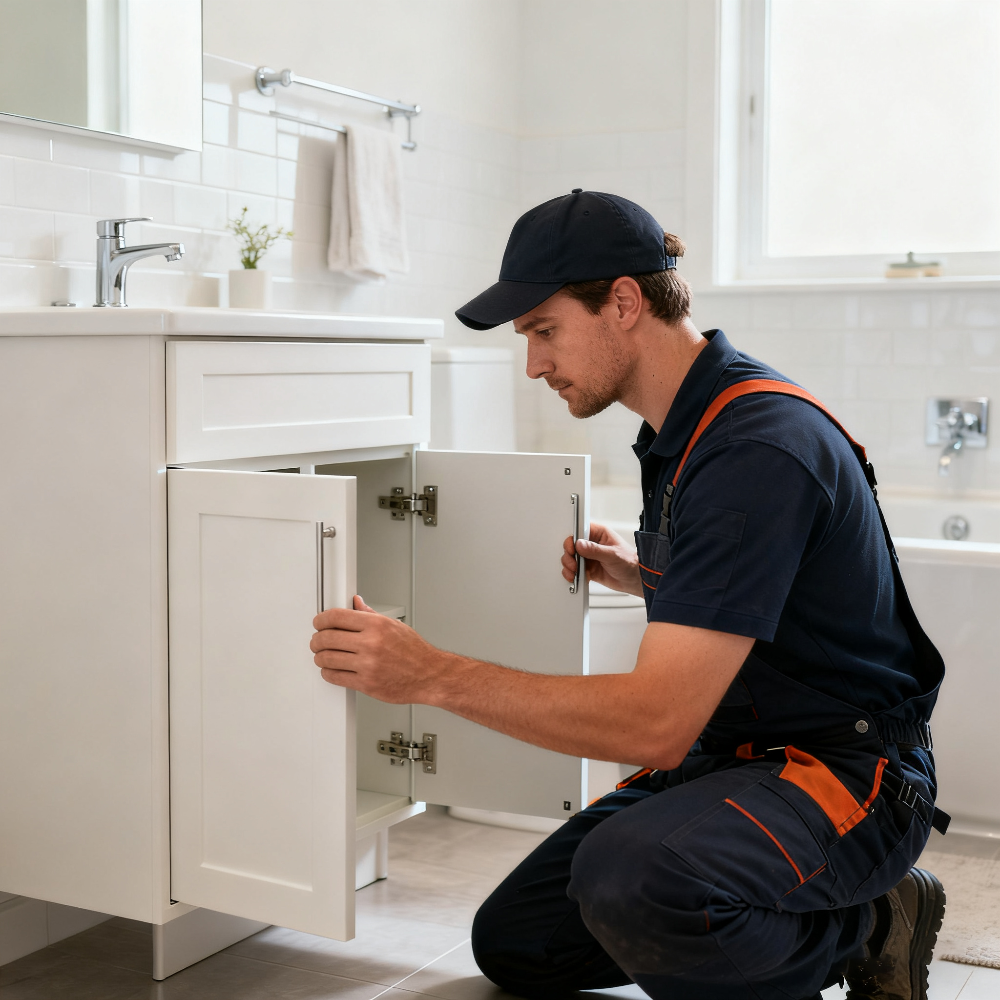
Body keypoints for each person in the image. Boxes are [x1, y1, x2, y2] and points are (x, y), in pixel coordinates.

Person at [310, 190, 948, 1000]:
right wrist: (655, 578)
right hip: (740, 757)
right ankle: (834, 926)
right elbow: (771, 595)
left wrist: (429, 675)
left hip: (846, 771)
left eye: (543, 330)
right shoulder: (687, 429)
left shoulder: (755, 448)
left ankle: (871, 920)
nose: (534, 363)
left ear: (622, 302)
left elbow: (658, 723)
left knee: (636, 877)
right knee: (520, 944)